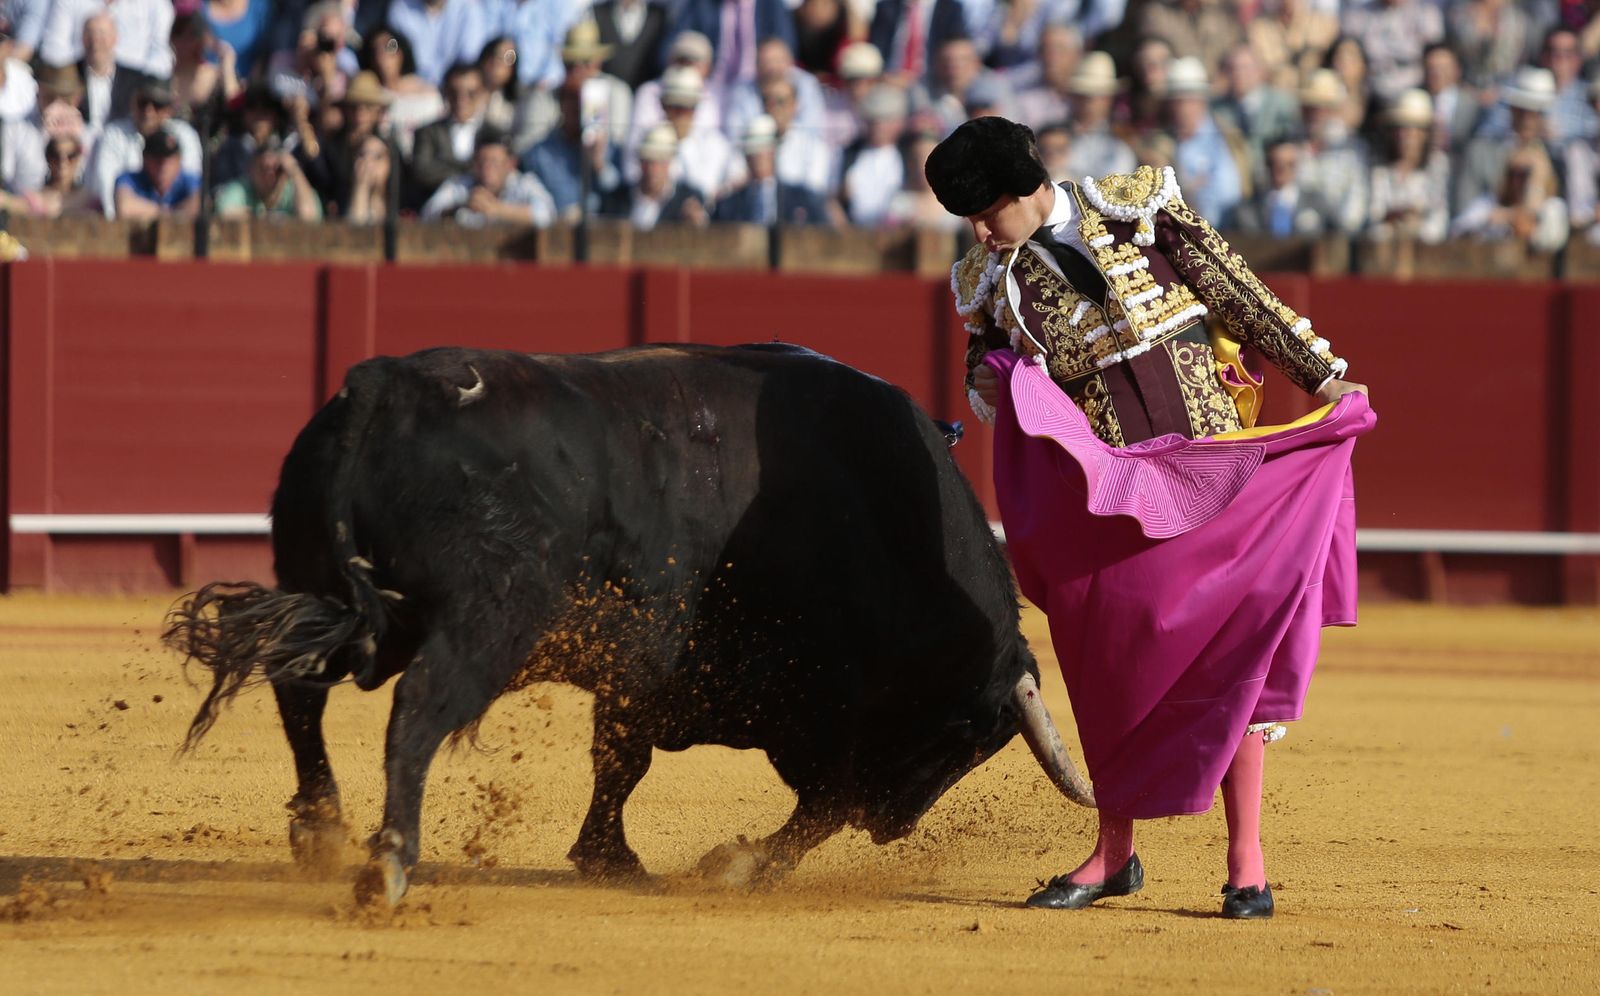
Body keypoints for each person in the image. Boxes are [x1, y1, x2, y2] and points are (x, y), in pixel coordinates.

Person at [925, 116, 1370, 919]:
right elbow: (982, 374)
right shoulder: (988, 283)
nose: (980, 231)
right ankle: (1113, 854)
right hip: (1113, 497)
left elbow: (1240, 293)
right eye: (969, 219)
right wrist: (990, 376)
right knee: (1113, 669)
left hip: (1214, 466)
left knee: (1233, 655)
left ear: (1028, 188)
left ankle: (1246, 861)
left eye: (988, 210)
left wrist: (1325, 378)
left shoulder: (1138, 210)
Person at [85, 78, 202, 218]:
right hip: (125, 229)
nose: (149, 111)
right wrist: (169, 214)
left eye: (157, 105)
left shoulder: (183, 134)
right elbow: (117, 204)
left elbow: (198, 201)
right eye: (143, 103)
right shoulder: (114, 134)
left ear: (169, 109)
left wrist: (157, 214)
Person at [421, 125, 556, 226]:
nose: (487, 169)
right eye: (482, 162)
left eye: (495, 163)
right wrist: (459, 208)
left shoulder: (524, 184)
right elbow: (427, 215)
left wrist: (498, 209)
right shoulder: (459, 185)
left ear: (511, 164)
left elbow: (547, 215)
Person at [1366, 88, 1449, 243]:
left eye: (1412, 129)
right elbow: (1373, 218)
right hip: (1385, 253)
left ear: (1424, 134)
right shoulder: (1380, 169)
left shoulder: (1438, 165)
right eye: (1400, 129)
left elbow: (1439, 220)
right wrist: (1394, 221)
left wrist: (1416, 227)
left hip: (1428, 253)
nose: (1405, 136)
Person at [711, 113, 828, 223]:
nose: (758, 158)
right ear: (746, 157)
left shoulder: (802, 199)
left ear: (773, 152)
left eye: (764, 151)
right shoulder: (729, 205)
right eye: (753, 153)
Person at [604, 121, 709, 229]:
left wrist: (697, 223)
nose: (652, 168)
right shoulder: (616, 200)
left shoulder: (687, 199)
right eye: (647, 161)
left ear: (669, 163)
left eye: (659, 161)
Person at [214, 136, 324, 220]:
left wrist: (294, 171)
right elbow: (224, 214)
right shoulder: (241, 187)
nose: (270, 174)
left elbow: (309, 216)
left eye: (277, 169)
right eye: (263, 168)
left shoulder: (294, 190)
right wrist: (267, 218)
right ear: (251, 170)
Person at [111, 126, 200, 219]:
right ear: (145, 159)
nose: (163, 166)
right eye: (157, 160)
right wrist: (169, 213)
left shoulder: (190, 180)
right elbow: (124, 208)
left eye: (169, 160)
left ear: (179, 160)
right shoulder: (129, 179)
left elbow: (199, 205)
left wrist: (151, 212)